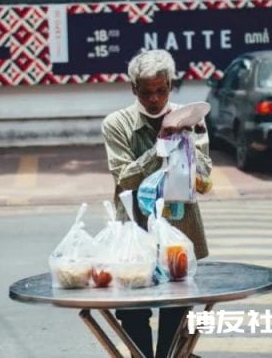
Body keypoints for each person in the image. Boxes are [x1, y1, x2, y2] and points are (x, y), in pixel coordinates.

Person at [101, 49, 212, 358]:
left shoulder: (191, 117)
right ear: (134, 89)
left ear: (170, 85)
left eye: (161, 91)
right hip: (134, 237)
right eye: (147, 92)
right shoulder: (116, 124)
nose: (154, 99)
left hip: (180, 233)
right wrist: (161, 145)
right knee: (133, 315)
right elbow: (125, 179)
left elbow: (204, 180)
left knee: (179, 317)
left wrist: (189, 144)